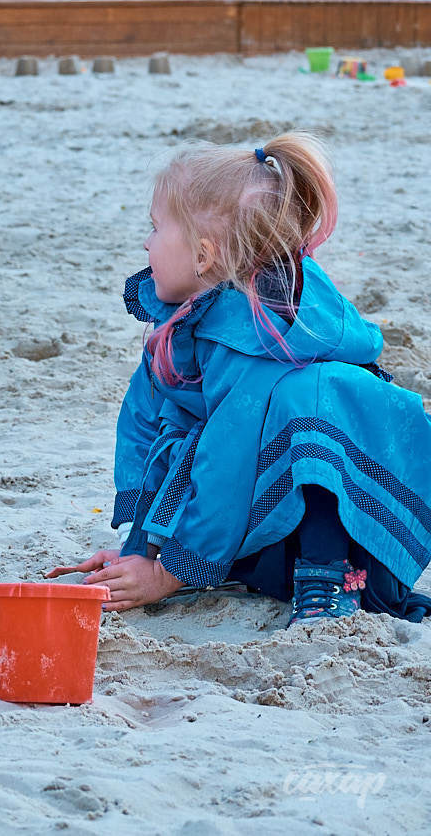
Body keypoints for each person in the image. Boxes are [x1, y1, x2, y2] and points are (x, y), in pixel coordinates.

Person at [49, 133, 431, 624]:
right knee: (184, 422)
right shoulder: (179, 322)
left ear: (204, 256)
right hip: (271, 531)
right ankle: (262, 567)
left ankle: (331, 579)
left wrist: (169, 576)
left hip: (359, 525)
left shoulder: (251, 332)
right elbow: (145, 430)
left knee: (305, 395)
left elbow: (228, 457)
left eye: (155, 228)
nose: (146, 243)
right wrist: (139, 550)